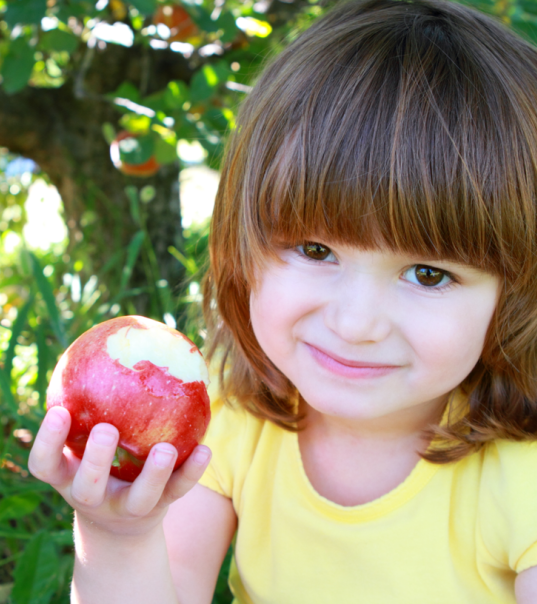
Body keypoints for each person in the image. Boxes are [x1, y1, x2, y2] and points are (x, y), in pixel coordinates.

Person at [28, 0, 537, 601]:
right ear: (243, 241)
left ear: (517, 291)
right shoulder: (222, 417)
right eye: (317, 251)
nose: (356, 323)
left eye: (428, 274)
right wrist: (118, 535)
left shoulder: (521, 477)